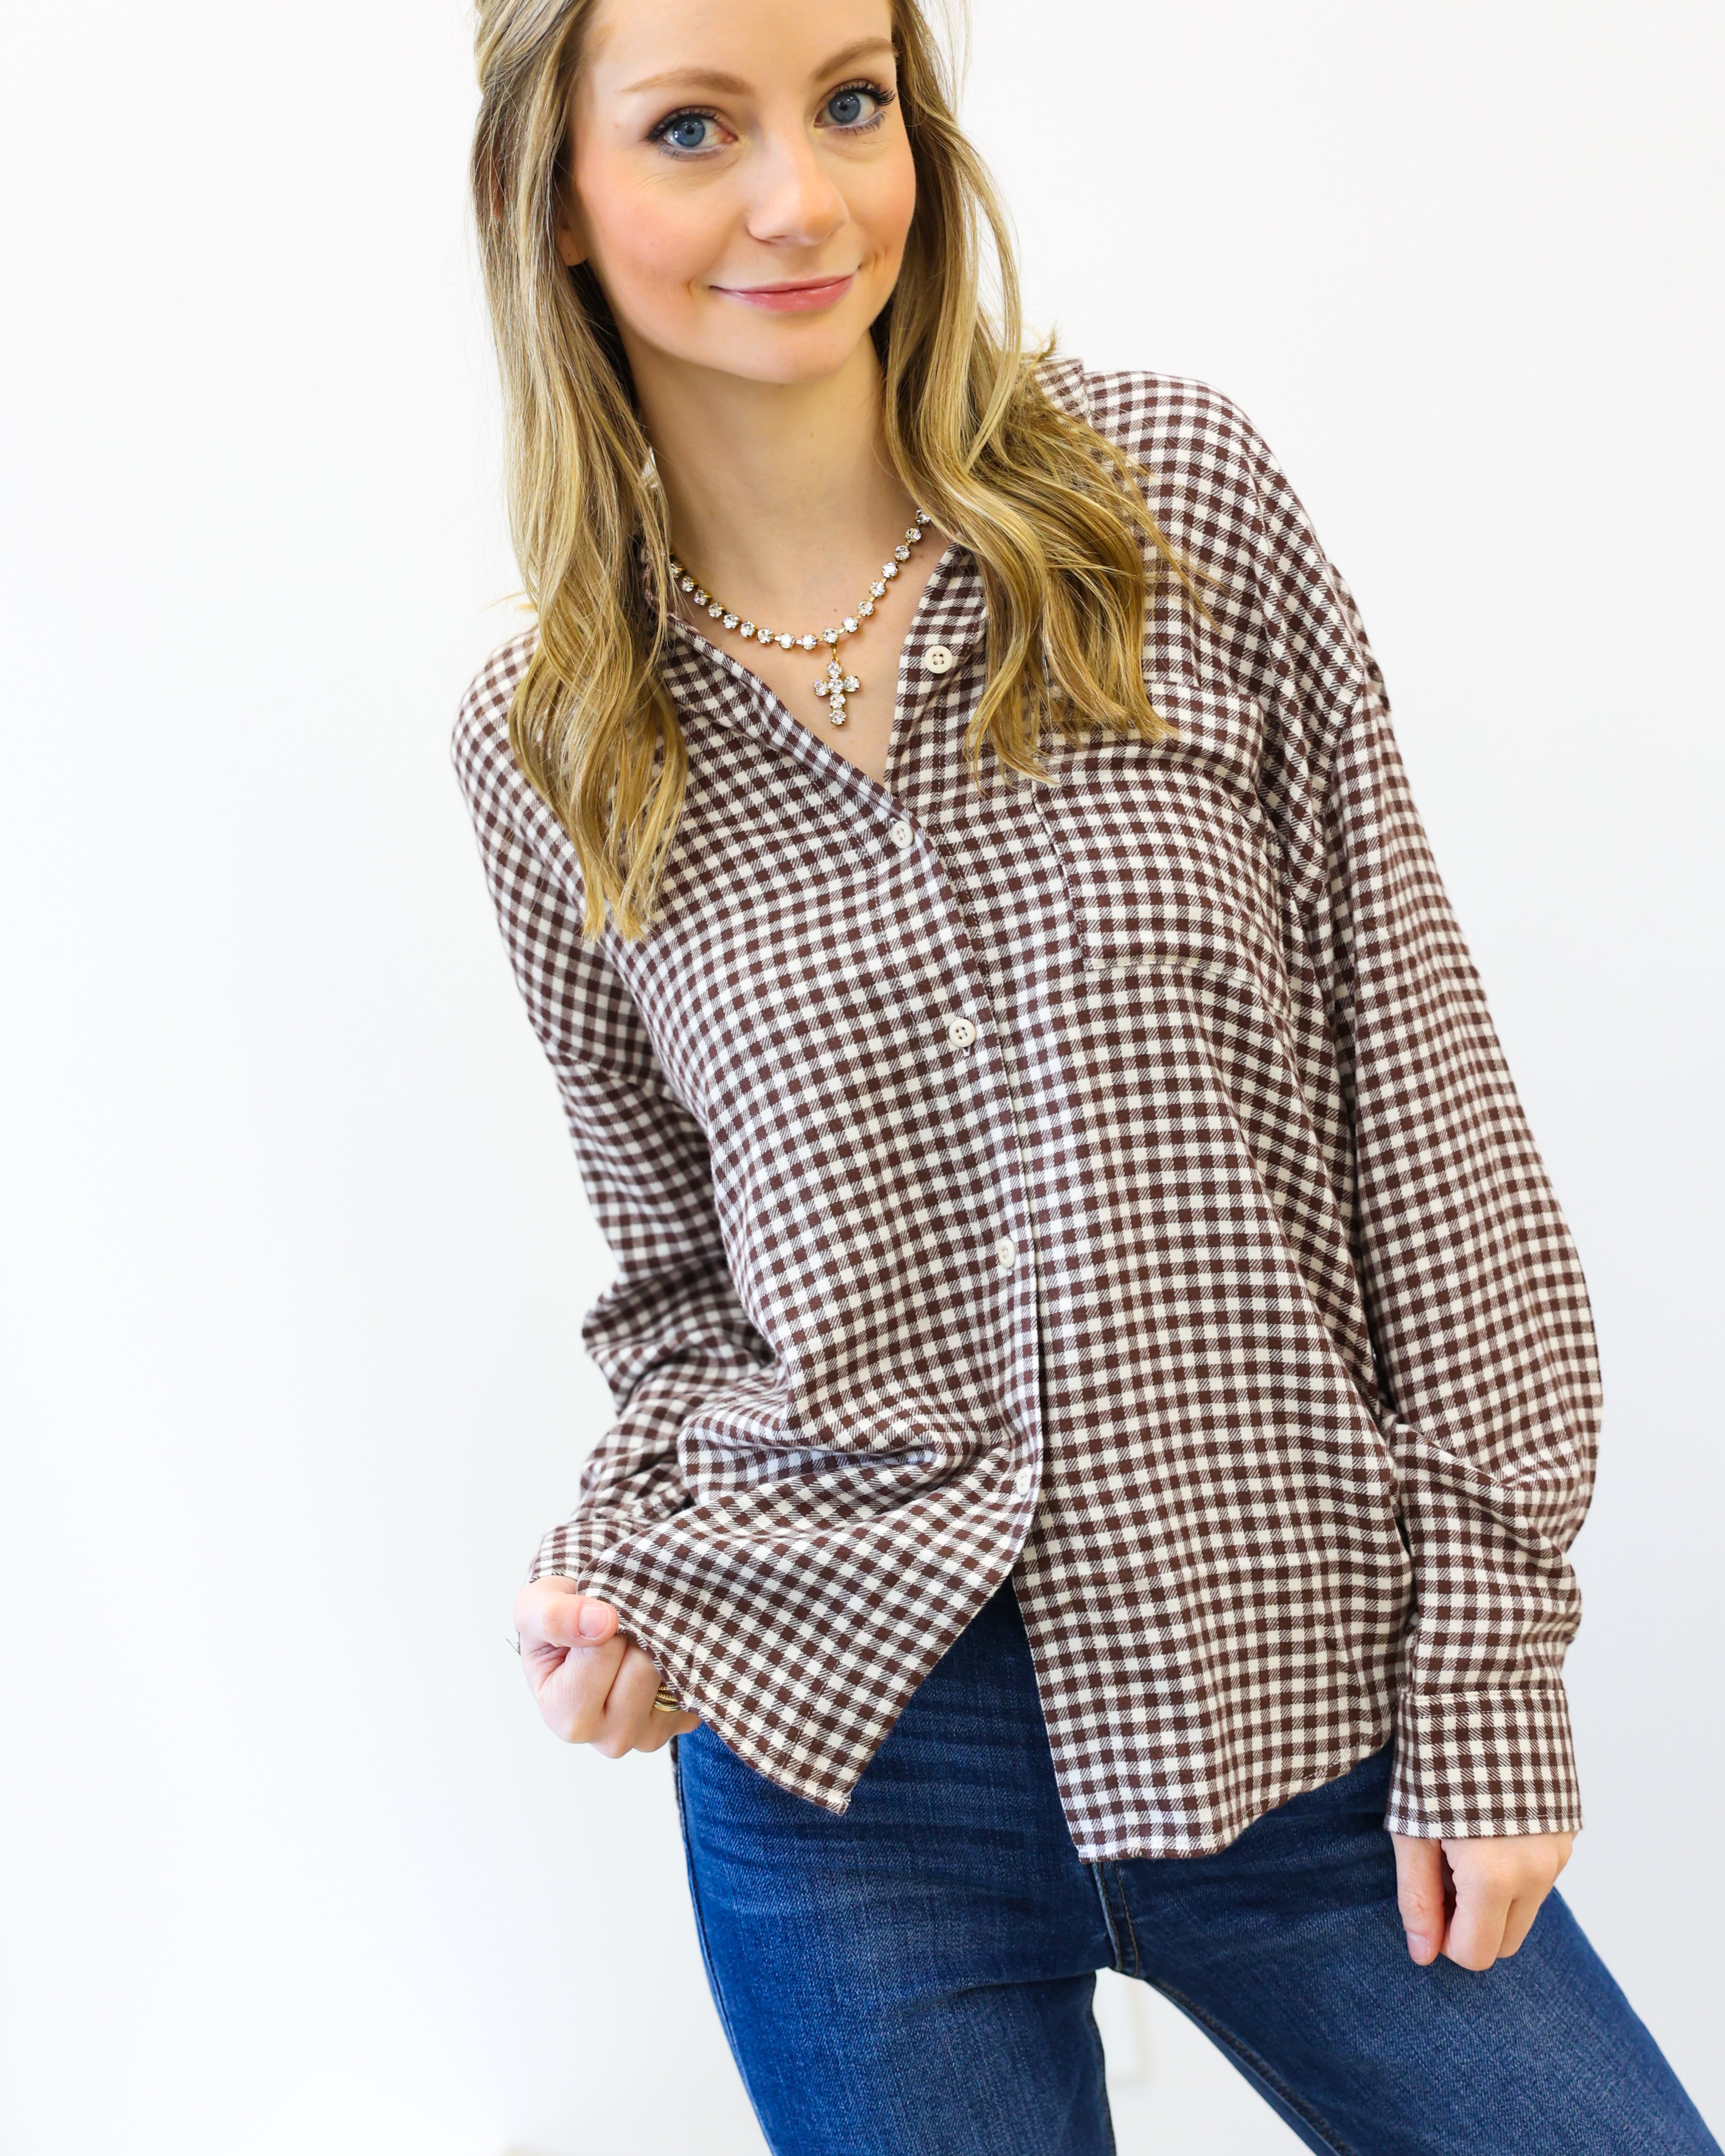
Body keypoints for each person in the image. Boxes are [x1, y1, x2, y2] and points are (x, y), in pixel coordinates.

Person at [452, 1, 1721, 2150]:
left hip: (1301, 1697)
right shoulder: (552, 737)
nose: (805, 197)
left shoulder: (1171, 511)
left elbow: (1428, 1110)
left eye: (853, 101)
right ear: (555, 206)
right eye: (693, 129)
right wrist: (631, 1575)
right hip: (856, 1771)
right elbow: (679, 1299)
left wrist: (1493, 1673)